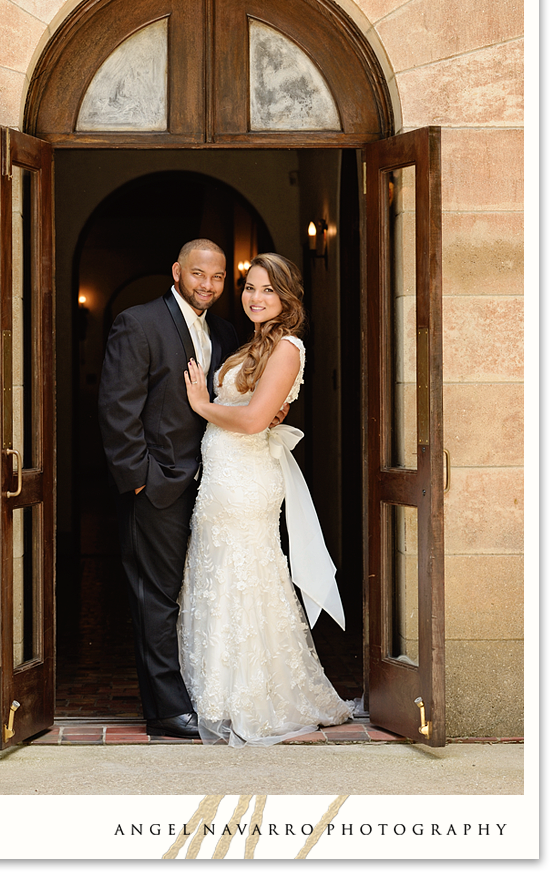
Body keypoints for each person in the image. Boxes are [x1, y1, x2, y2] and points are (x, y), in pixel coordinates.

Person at [178, 252, 354, 746]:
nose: (256, 298)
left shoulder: (288, 348)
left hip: (246, 480)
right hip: (221, 479)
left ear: (287, 298)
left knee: (244, 576)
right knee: (219, 575)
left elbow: (255, 419)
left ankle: (255, 696)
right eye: (250, 287)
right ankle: (220, 693)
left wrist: (202, 405)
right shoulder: (256, 342)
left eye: (268, 290)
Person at [97, 239, 241, 739]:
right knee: (156, 598)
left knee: (200, 593)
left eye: (218, 277)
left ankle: (205, 693)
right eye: (199, 274)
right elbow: (117, 410)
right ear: (177, 270)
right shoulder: (138, 323)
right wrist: (139, 480)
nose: (208, 285)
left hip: (213, 487)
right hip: (156, 488)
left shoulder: (224, 331)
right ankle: (164, 709)